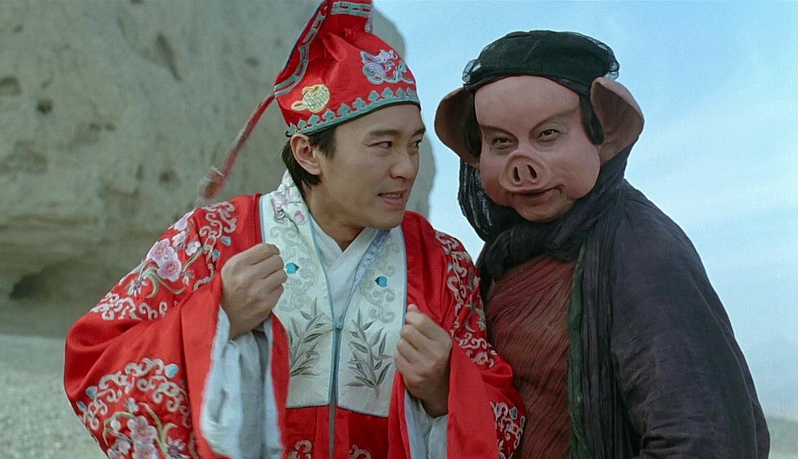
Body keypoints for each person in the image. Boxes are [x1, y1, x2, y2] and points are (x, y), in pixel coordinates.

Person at [63, 1, 525, 458]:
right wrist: (217, 317)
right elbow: (95, 362)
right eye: (383, 144)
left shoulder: (443, 263)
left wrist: (445, 388)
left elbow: (505, 414)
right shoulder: (212, 239)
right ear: (308, 153)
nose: (406, 168)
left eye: (414, 144)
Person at [434, 30, 769, 458]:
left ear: (603, 134)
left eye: (548, 135)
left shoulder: (641, 249)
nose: (522, 167)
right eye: (501, 142)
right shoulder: (508, 252)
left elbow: (702, 437)